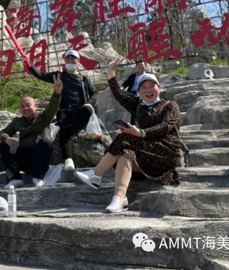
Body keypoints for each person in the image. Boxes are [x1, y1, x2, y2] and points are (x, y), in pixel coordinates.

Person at [73, 57, 182, 213]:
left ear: (159, 87)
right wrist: (110, 70)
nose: (148, 90)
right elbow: (119, 94)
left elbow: (167, 126)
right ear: (139, 92)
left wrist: (141, 132)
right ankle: (119, 198)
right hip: (146, 155)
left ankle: (96, 174)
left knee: (124, 138)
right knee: (126, 153)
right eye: (143, 87)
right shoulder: (139, 107)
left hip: (165, 153)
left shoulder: (170, 105)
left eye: (152, 86)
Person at [29, 49, 97, 171]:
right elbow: (41, 75)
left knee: (87, 110)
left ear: (78, 61)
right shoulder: (59, 76)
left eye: (73, 58)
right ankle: (68, 160)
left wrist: (90, 103)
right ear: (64, 61)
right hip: (65, 111)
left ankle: (58, 125)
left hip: (79, 110)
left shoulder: (84, 79)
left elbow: (94, 93)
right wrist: (30, 66)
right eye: (68, 59)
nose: (70, 61)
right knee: (66, 132)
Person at [0, 74, 62, 188]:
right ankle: (15, 179)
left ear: (35, 106)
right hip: (23, 158)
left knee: (45, 143)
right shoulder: (17, 122)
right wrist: (6, 139)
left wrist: (57, 93)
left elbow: (53, 107)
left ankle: (38, 177)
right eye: (22, 106)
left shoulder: (43, 118)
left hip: (40, 159)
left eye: (28, 105)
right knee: (3, 146)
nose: (25, 108)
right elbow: (1, 133)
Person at [121, 60, 147, 125]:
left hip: (141, 94)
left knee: (135, 104)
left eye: (142, 65)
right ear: (136, 67)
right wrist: (121, 88)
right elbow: (125, 84)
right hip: (131, 94)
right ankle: (133, 124)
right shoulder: (133, 76)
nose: (140, 67)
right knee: (122, 92)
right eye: (139, 66)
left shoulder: (148, 76)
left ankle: (133, 123)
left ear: (146, 67)